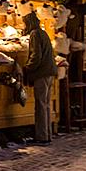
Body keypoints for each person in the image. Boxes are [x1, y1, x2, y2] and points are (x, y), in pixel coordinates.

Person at [23, 11, 57, 143]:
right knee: (46, 104)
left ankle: (41, 136)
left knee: (41, 105)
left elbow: (36, 55)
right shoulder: (43, 33)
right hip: (49, 72)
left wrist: (28, 67)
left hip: (41, 73)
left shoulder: (35, 34)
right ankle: (47, 134)